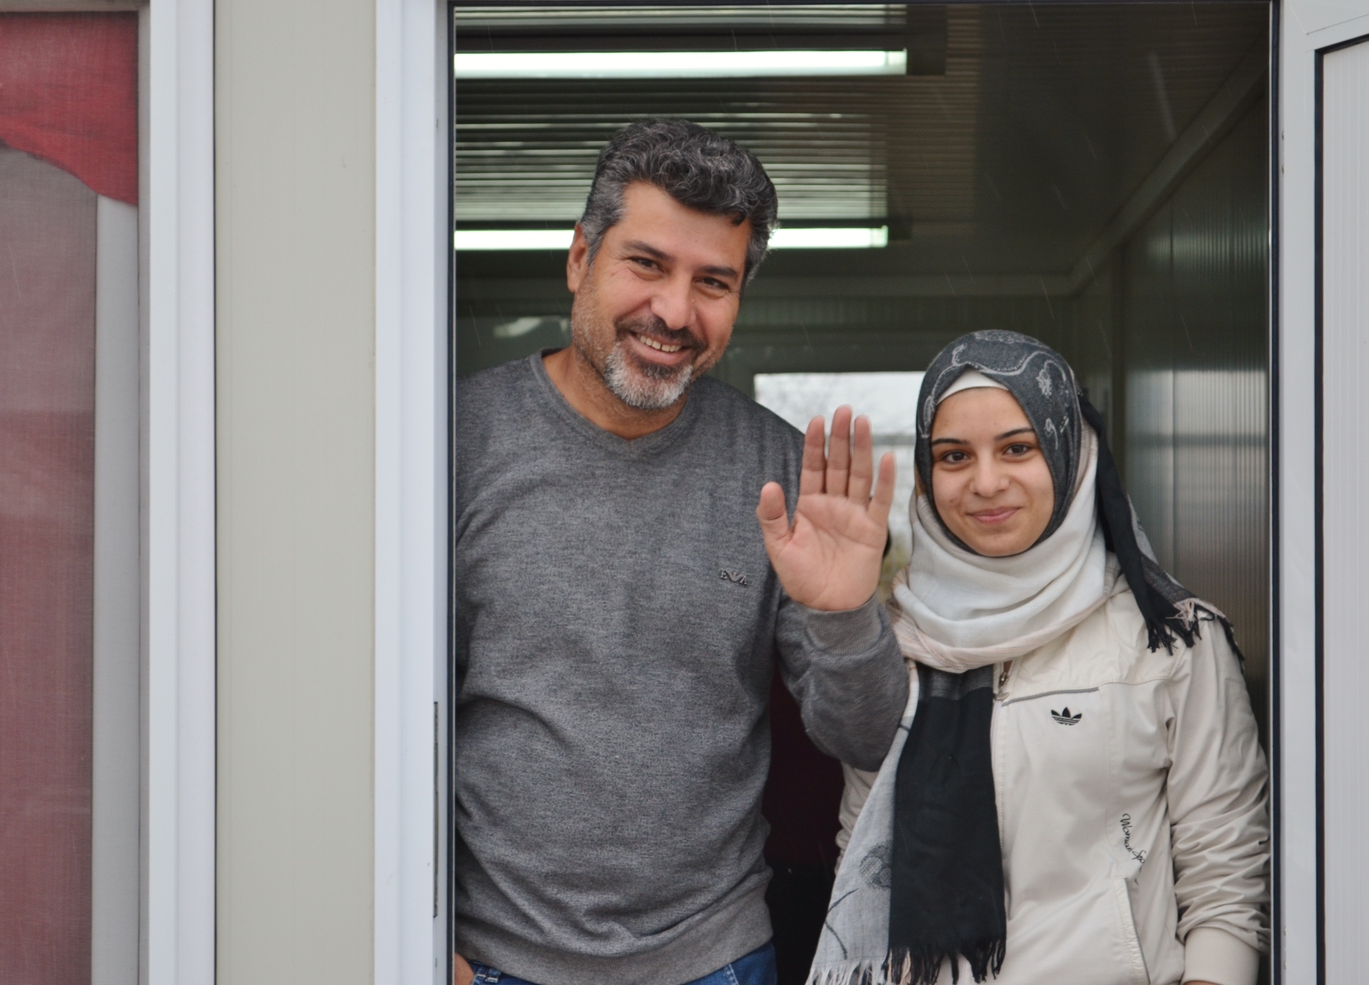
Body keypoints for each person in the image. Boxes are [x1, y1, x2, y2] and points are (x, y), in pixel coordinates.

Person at [453, 119, 910, 985]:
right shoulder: (457, 442)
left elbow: (869, 734)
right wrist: (416, 918)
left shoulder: (779, 473)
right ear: (580, 257)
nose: (675, 312)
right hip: (491, 958)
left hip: (715, 959)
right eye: (647, 264)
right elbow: (393, 718)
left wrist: (846, 613)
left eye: (714, 282)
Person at [809, 331, 1269, 985]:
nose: (986, 482)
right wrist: (839, 619)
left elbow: (1227, 875)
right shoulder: (901, 646)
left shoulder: (1172, 641)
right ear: (925, 472)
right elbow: (865, 861)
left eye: (1017, 447)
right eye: (953, 455)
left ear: (1068, 452)